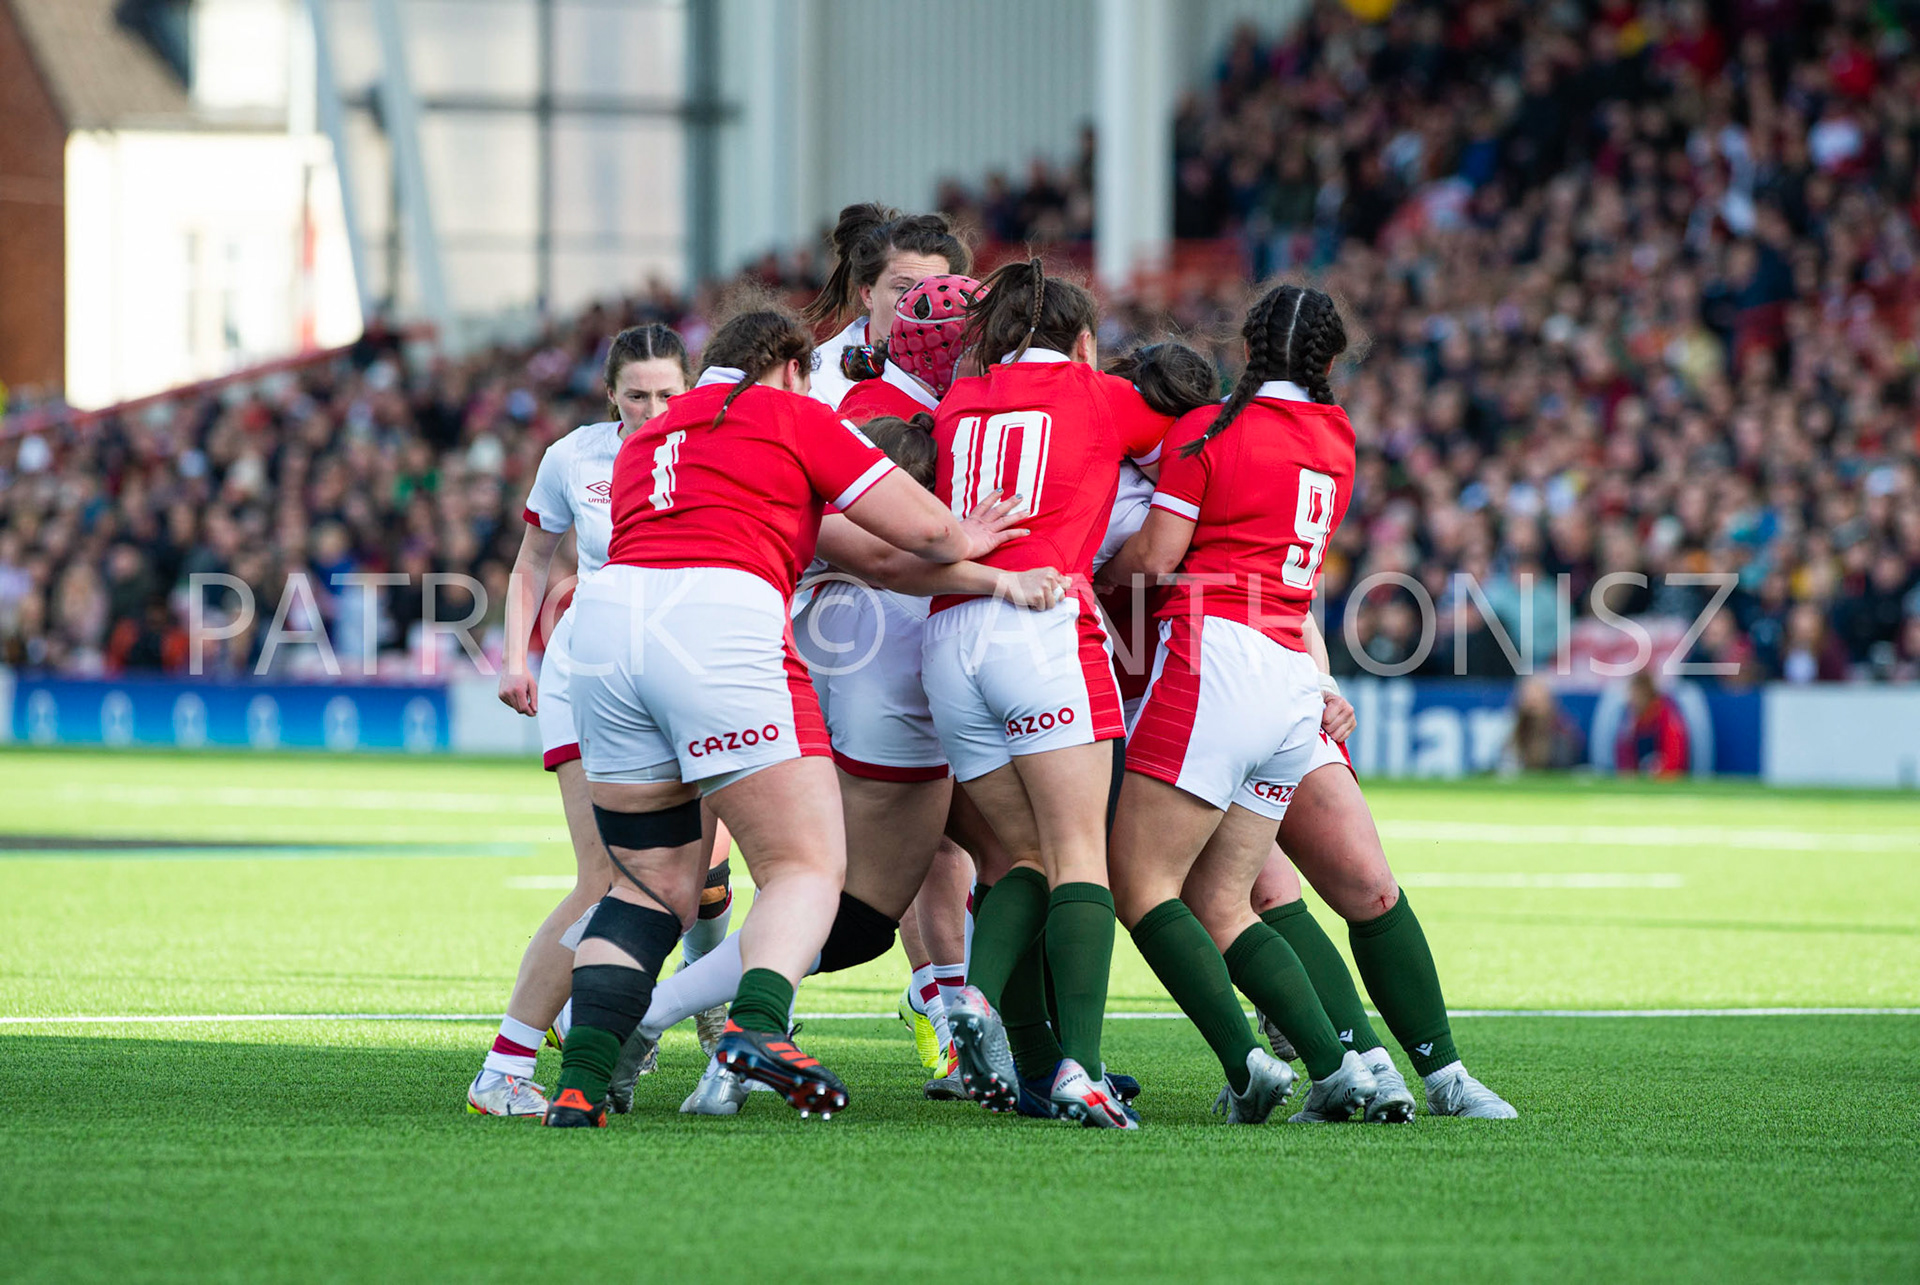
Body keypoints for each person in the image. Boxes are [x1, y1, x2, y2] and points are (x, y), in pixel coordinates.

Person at [542, 306, 1018, 1127]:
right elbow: (923, 532)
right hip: (716, 620)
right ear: (794, 367)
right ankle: (758, 1027)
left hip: (606, 629)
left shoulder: (642, 438)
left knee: (647, 884)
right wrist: (970, 535)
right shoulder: (789, 412)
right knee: (805, 867)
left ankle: (581, 1083)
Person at [1104, 283, 1515, 1122]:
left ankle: (1396, 1069)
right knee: (1256, 893)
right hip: (1258, 682)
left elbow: (1180, 566)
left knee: (1314, 883)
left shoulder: (1210, 434)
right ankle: (1368, 1068)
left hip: (1222, 672)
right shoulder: (1329, 435)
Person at [608, 411, 1068, 1116]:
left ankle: (702, 1055)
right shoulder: (907, 546)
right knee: (856, 916)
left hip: (783, 666)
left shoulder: (792, 502)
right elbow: (898, 557)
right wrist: (992, 571)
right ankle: (970, 1009)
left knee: (793, 890)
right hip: (880, 676)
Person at [924, 259, 1170, 1128]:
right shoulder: (1102, 394)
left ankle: (973, 999)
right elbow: (1193, 441)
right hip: (1042, 622)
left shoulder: (958, 403)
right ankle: (1084, 1067)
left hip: (950, 633)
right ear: (1085, 340)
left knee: (1021, 854)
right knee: (1079, 856)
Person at [467, 324, 718, 1118]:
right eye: (636, 393)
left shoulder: (715, 445)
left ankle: (668, 1038)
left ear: (692, 388)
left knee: (696, 880)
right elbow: (532, 563)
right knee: (608, 881)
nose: (651, 408)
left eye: (666, 393)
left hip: (686, 674)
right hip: (591, 674)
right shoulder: (574, 456)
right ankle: (506, 1066)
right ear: (610, 393)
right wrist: (515, 658)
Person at [801, 205, 970, 410]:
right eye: (902, 288)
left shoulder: (974, 364)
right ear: (867, 294)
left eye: (936, 287)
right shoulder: (822, 382)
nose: (922, 304)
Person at [1615, 672, 1690, 777]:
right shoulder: (1632, 721)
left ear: (1647, 694)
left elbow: (1675, 760)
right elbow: (1625, 757)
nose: (1632, 700)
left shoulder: (1667, 719)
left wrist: (1663, 773)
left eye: (1636, 694)